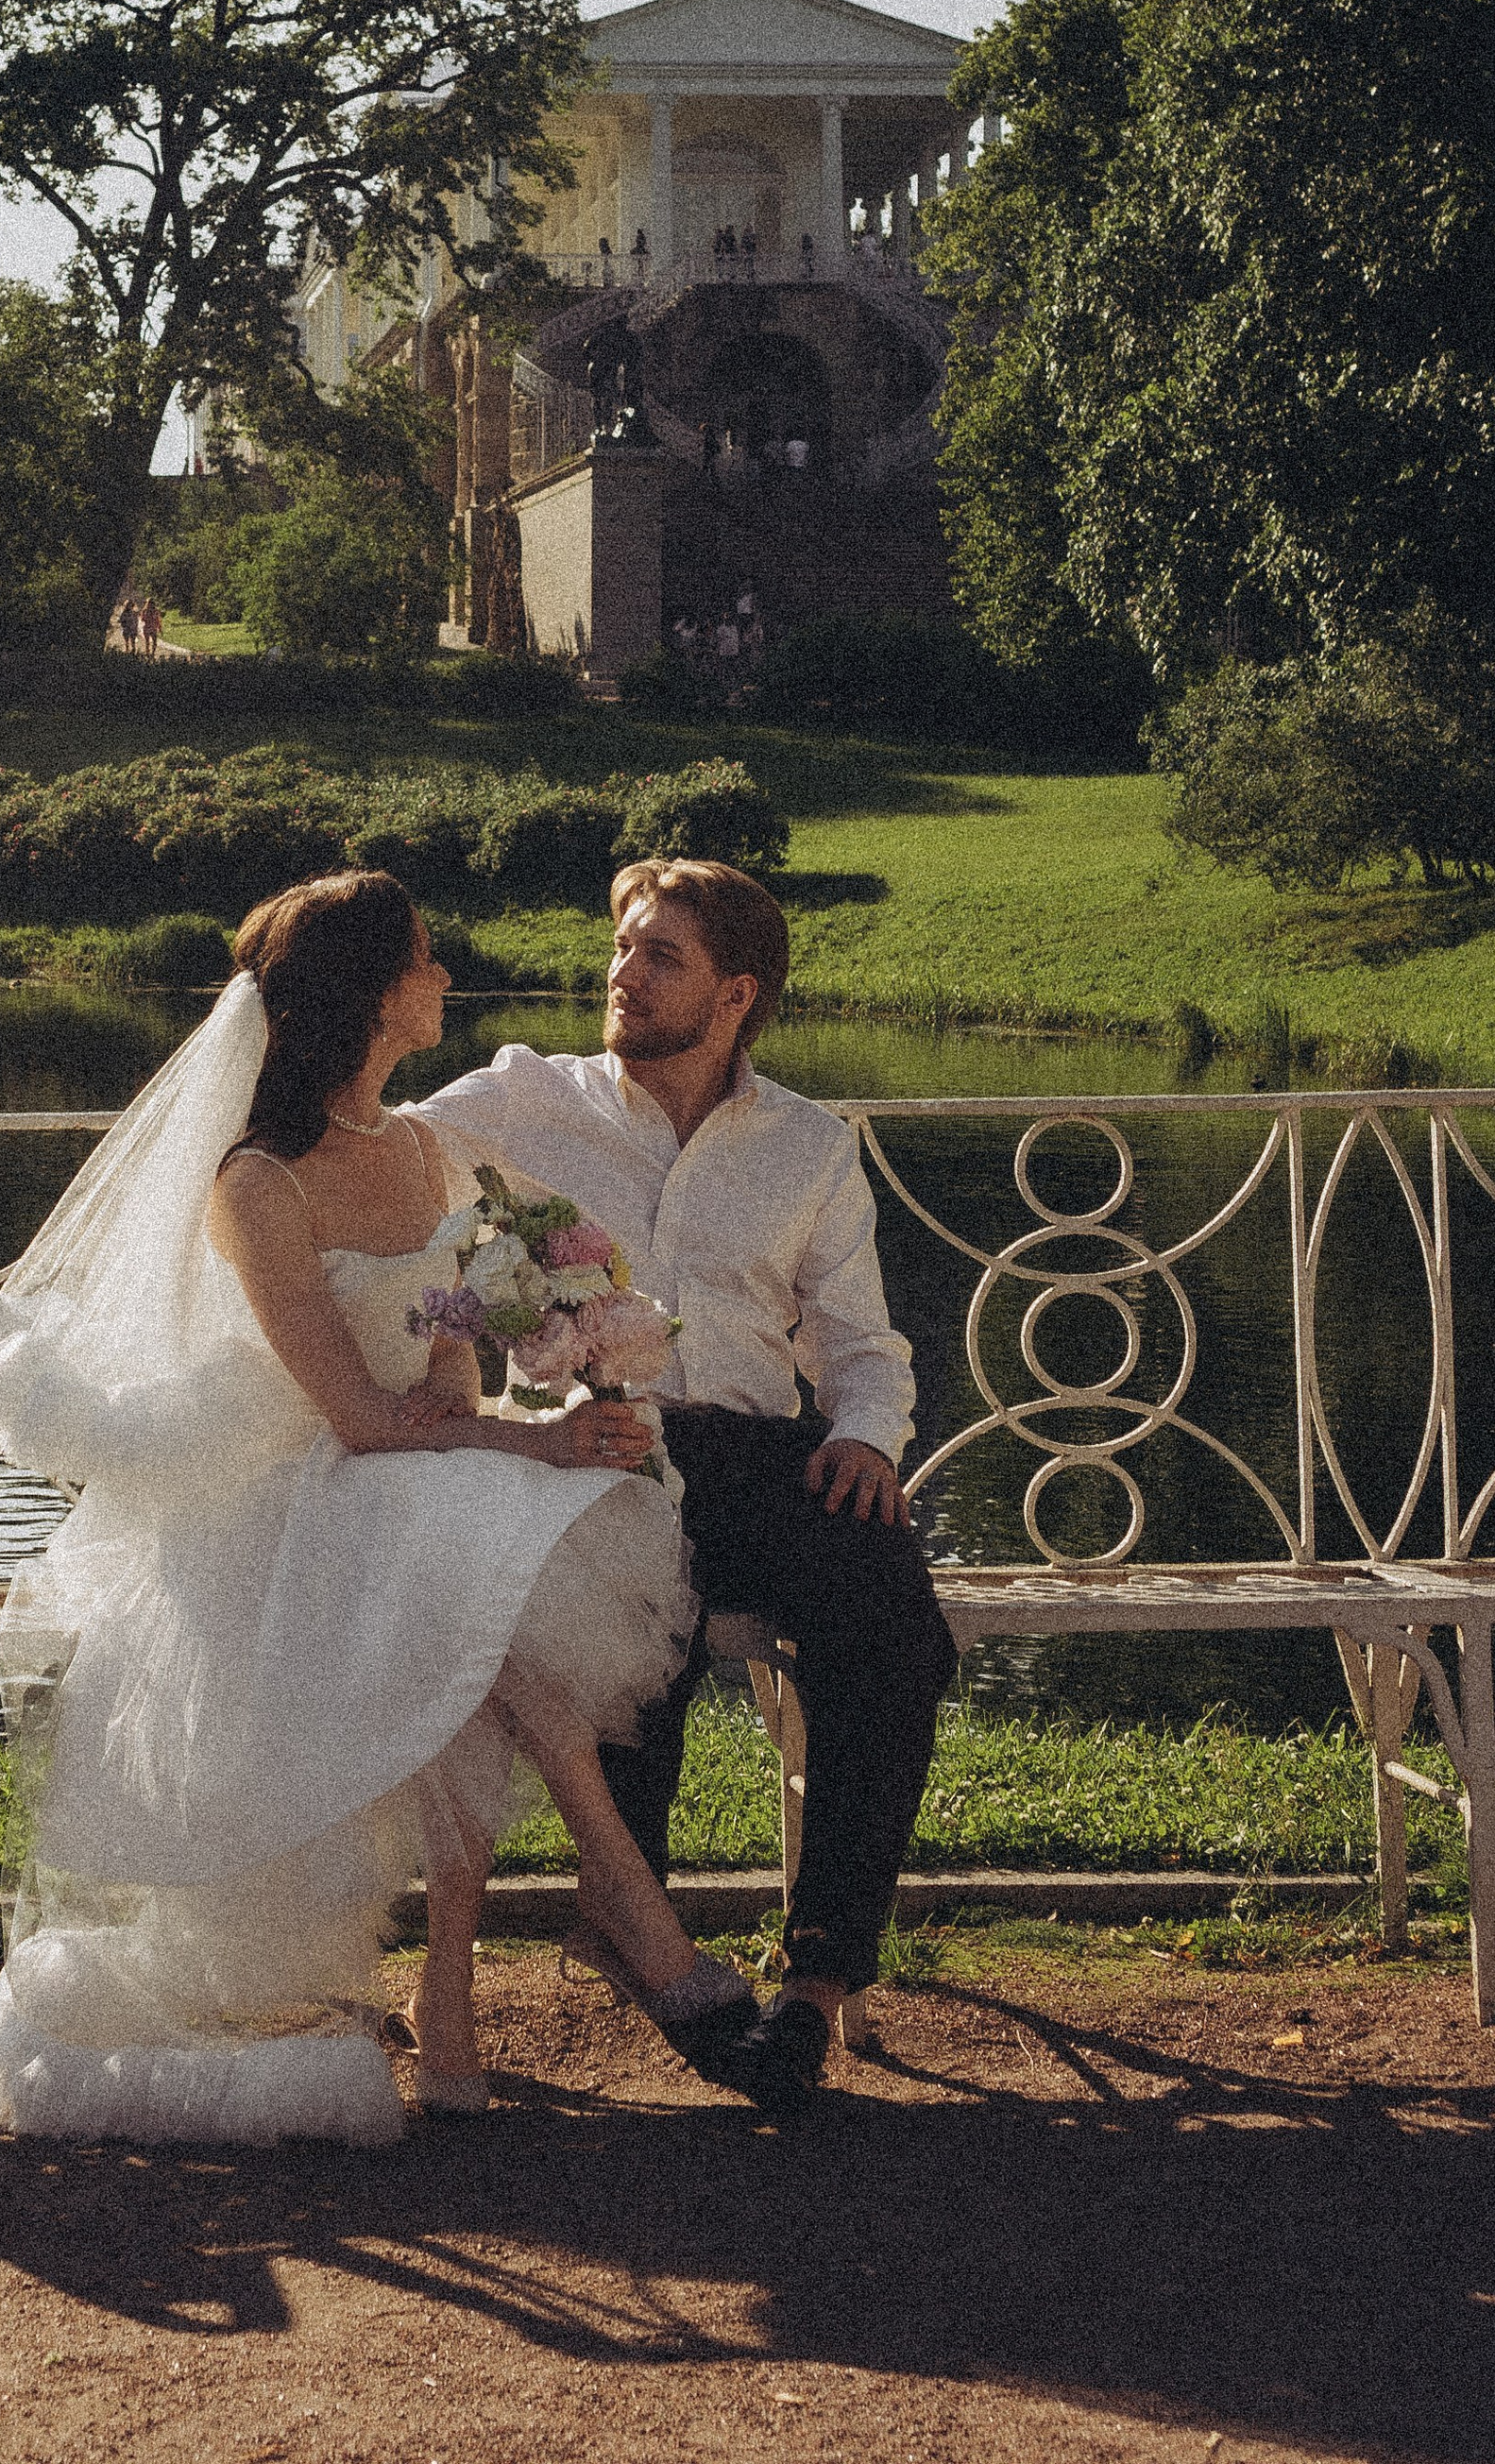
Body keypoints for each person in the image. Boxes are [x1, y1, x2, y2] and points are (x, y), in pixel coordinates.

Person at [0, 872, 761, 2146]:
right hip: (279, 1499)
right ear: (377, 996)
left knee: (486, 1578)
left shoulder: (425, 1150)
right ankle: (629, 1942)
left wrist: (526, 1405)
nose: (445, 977)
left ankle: (489, 1986)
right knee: (481, 1592)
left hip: (402, 1474)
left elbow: (445, 1362)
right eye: (424, 959)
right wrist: (532, 1443)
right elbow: (352, 1415)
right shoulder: (257, 1181)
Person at [416, 860, 958, 2120]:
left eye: (661, 956)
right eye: (623, 945)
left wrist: (867, 1440)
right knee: (625, 1606)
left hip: (756, 1457)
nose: (624, 973)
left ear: (737, 993)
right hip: (589, 1454)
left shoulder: (809, 1146)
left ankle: (817, 1982)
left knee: (891, 1619)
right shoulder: (520, 1101)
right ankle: (634, 1920)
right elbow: (368, 1152)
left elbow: (862, 1345)